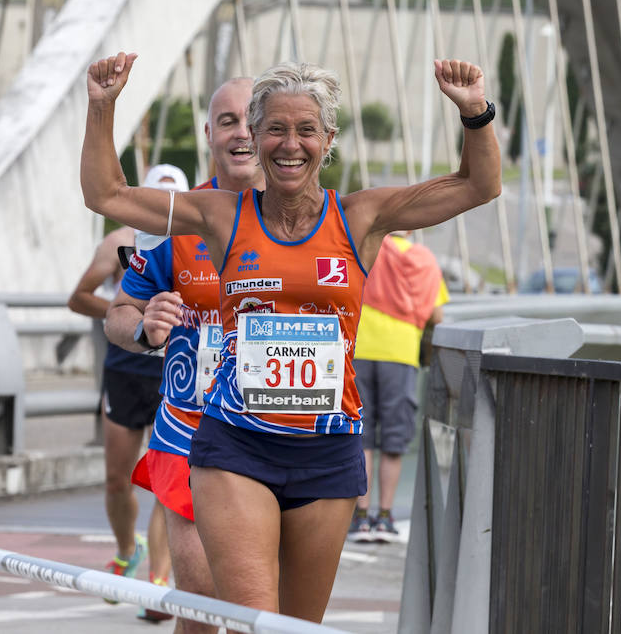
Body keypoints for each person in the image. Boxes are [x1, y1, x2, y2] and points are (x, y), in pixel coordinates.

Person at [81, 51, 500, 622]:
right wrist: (102, 107)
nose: (290, 144)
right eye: (274, 129)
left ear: (328, 140)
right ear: (254, 137)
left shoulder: (360, 217)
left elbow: (478, 185)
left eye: (306, 130)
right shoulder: (221, 215)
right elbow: (108, 195)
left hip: (327, 452)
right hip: (235, 445)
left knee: (298, 626)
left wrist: (475, 113)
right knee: (255, 620)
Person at [105, 77, 264, 634]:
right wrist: (145, 328)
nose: (241, 133)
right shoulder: (174, 219)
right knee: (201, 602)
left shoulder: (309, 216)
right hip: (190, 434)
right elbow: (118, 313)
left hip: (281, 437)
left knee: (266, 610)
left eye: (252, 120)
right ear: (209, 134)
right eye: (227, 122)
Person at [68, 162, 187, 614]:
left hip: (173, 372)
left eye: (170, 199)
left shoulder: (194, 238)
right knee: (117, 480)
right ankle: (125, 551)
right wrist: (128, 315)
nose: (161, 209)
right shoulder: (120, 241)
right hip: (124, 367)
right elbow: (78, 297)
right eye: (154, 197)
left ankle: (158, 584)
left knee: (165, 480)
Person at [347, 232, 449, 544]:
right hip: (401, 353)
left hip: (360, 350)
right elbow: (437, 314)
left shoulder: (367, 251)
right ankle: (385, 516)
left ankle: (361, 516)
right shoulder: (425, 261)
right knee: (393, 439)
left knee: (361, 436)